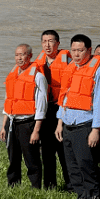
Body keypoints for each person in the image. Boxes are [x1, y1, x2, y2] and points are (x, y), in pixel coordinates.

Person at [55, 34, 100, 199]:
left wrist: (96, 130)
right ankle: (81, 197)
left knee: (87, 165)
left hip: (85, 126)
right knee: (72, 166)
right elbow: (64, 96)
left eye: (80, 50)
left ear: (89, 50)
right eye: (73, 50)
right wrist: (59, 122)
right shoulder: (71, 67)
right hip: (67, 124)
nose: (76, 54)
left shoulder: (99, 71)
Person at [0, 43, 47, 188]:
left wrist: (36, 130)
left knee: (31, 158)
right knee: (13, 157)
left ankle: (36, 188)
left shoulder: (38, 77)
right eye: (17, 55)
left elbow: (41, 105)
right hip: (12, 123)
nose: (19, 58)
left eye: (23, 54)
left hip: (28, 123)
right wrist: (3, 126)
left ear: (30, 56)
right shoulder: (12, 75)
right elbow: (8, 102)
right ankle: (13, 185)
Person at [34, 30, 72, 190]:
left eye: (50, 41)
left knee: (64, 149)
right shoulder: (39, 61)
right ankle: (50, 186)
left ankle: (71, 185)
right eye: (44, 41)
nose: (47, 45)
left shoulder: (68, 59)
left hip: (63, 107)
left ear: (58, 43)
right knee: (47, 150)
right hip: (46, 109)